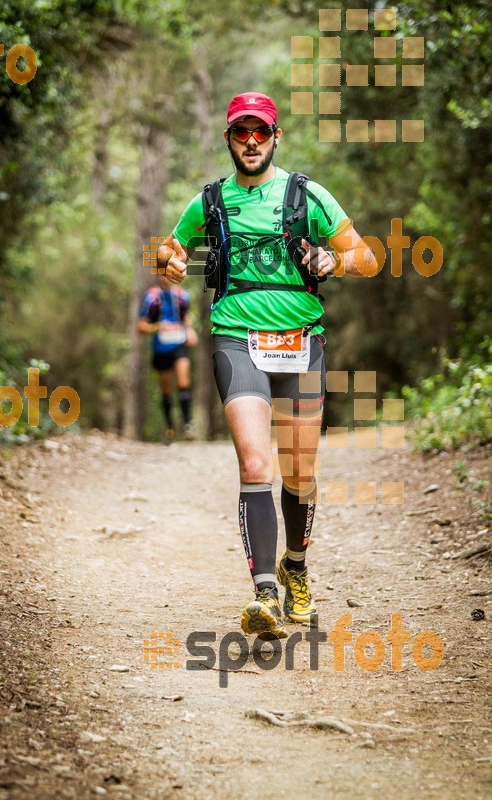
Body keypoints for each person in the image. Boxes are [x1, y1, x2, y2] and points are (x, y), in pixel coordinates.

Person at [158, 92, 377, 637]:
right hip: (237, 339)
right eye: (241, 133)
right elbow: (168, 253)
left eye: (261, 132)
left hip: (302, 341)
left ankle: (295, 569)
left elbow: (368, 257)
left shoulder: (309, 194)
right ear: (228, 139)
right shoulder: (207, 201)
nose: (251, 141)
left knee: (300, 473)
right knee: (256, 465)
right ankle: (264, 594)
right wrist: (170, 261)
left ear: (276, 136)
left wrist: (335, 259)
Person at [138, 274, 198, 443]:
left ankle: (187, 425)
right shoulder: (151, 297)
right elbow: (141, 325)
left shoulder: (182, 295)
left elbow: (186, 316)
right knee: (166, 390)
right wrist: (157, 327)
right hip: (161, 348)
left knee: (183, 382)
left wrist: (190, 331)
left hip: (180, 345)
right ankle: (170, 429)